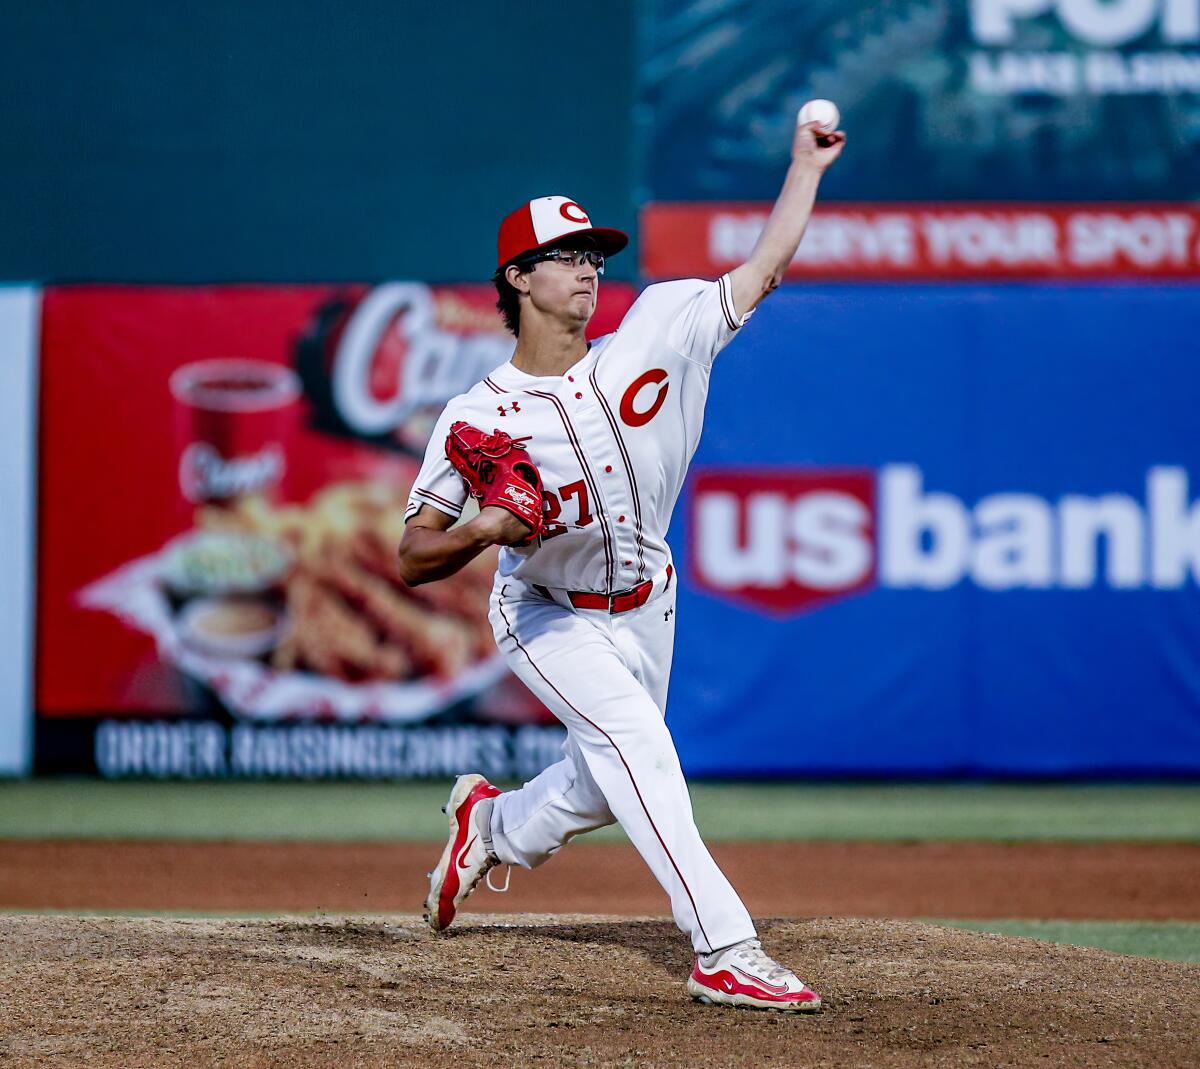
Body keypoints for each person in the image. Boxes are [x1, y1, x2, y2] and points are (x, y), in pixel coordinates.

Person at [397, 118, 845, 1011]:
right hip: (545, 609)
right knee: (640, 746)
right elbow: (413, 555)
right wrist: (484, 528)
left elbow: (763, 268)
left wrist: (804, 169)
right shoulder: (477, 413)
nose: (588, 268)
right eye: (565, 255)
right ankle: (724, 944)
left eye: (595, 253)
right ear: (518, 279)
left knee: (604, 785)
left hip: (650, 604)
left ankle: (489, 823)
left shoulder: (659, 329)